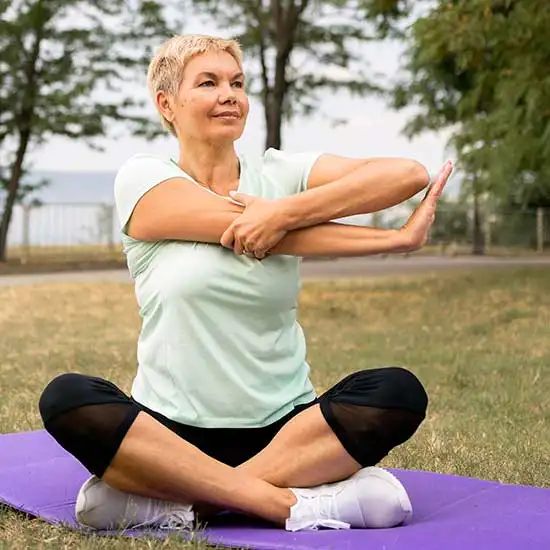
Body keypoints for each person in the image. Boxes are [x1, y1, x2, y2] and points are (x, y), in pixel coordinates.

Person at [38, 34, 453, 533]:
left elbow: (406, 174)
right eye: (208, 82)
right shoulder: (143, 179)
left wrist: (282, 210)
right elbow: (252, 234)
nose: (229, 94)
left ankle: (186, 504)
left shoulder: (282, 174)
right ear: (166, 104)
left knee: (396, 391)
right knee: (67, 398)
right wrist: (387, 241)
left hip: (286, 431)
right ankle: (294, 505)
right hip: (169, 432)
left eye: (237, 83)